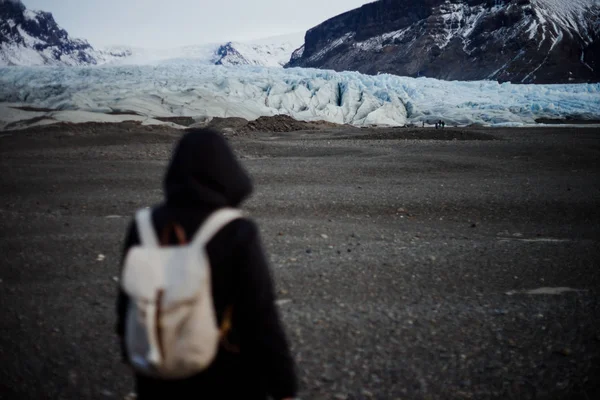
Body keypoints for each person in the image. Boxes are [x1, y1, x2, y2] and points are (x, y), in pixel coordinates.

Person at [115, 128, 298, 400]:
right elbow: (259, 315)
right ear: (226, 171)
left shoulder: (144, 225)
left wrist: (134, 354)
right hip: (228, 374)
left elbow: (126, 303)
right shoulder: (235, 230)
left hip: (158, 374)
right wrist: (284, 386)